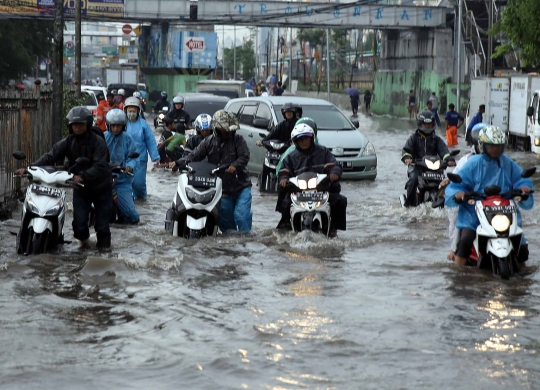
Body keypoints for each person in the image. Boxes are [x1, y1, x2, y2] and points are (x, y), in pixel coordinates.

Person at [15, 107, 112, 249]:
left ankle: (105, 257)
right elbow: (50, 156)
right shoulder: (68, 141)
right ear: (70, 126)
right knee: (79, 229)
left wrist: (82, 176)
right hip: (81, 189)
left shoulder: (98, 142)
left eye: (81, 124)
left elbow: (100, 166)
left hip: (101, 188)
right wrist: (29, 168)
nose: (78, 127)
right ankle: (85, 247)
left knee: (102, 228)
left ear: (88, 124)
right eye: (74, 124)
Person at [445, 125, 533, 266]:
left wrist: (523, 188)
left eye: (498, 146)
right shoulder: (473, 163)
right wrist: (459, 193)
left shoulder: (508, 163)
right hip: (475, 214)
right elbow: (457, 184)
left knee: (522, 249)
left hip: (504, 209)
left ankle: (521, 281)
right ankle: (458, 276)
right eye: (491, 146)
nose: (495, 149)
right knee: (465, 240)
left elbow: (520, 179)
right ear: (483, 145)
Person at [170, 110, 252, 233]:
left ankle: (247, 242)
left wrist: (235, 165)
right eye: (226, 130)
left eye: (231, 130)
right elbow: (193, 156)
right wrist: (178, 163)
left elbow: (244, 156)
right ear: (217, 129)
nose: (229, 132)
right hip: (222, 189)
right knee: (226, 223)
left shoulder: (238, 140)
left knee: (241, 216)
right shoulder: (208, 142)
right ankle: (232, 247)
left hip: (241, 186)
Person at [278, 123, 347, 237]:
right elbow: (284, 170)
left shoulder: (323, 151)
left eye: (306, 138)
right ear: (296, 141)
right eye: (300, 139)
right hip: (299, 192)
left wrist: (334, 173)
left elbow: (335, 164)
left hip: (321, 190)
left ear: (312, 138)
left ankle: (333, 228)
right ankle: (287, 227)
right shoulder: (291, 157)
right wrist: (284, 179)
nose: (303, 141)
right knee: (285, 203)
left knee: (340, 201)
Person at [443, 122, 487, 261]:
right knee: (457, 213)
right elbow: (456, 179)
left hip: (492, 202)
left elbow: (513, 178)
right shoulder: (467, 160)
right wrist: (450, 184)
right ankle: (455, 251)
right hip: (470, 201)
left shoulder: (500, 162)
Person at [401, 110, 456, 208]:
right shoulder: (413, 138)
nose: (428, 127)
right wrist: (407, 158)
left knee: (447, 183)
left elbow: (444, 152)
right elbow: (406, 151)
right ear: (420, 124)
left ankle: (449, 206)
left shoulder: (437, 140)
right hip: (417, 168)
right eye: (425, 125)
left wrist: (449, 160)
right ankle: (408, 207)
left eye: (430, 124)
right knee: (413, 180)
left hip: (435, 169)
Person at [104, 109, 140, 224]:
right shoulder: (102, 137)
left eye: (118, 126)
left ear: (123, 126)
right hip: (103, 180)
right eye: (113, 126)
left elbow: (134, 157)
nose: (115, 128)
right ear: (109, 125)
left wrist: (129, 166)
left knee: (131, 214)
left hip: (122, 181)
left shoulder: (127, 139)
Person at [124, 97, 160, 200]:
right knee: (124, 185)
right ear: (125, 111)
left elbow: (150, 141)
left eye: (134, 110)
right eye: (129, 110)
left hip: (140, 159)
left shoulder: (143, 124)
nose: (131, 112)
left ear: (138, 111)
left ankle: (141, 201)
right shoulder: (122, 124)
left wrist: (155, 157)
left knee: (139, 184)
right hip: (124, 159)